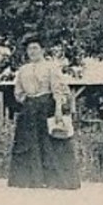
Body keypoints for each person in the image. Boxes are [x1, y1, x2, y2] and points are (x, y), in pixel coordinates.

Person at [9, 36, 80, 190]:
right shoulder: (23, 70)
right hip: (29, 108)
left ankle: (54, 180)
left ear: (42, 50)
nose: (32, 52)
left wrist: (59, 109)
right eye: (29, 49)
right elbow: (18, 92)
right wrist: (27, 102)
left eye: (35, 48)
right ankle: (31, 180)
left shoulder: (51, 67)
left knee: (50, 143)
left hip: (47, 106)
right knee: (29, 144)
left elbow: (58, 90)